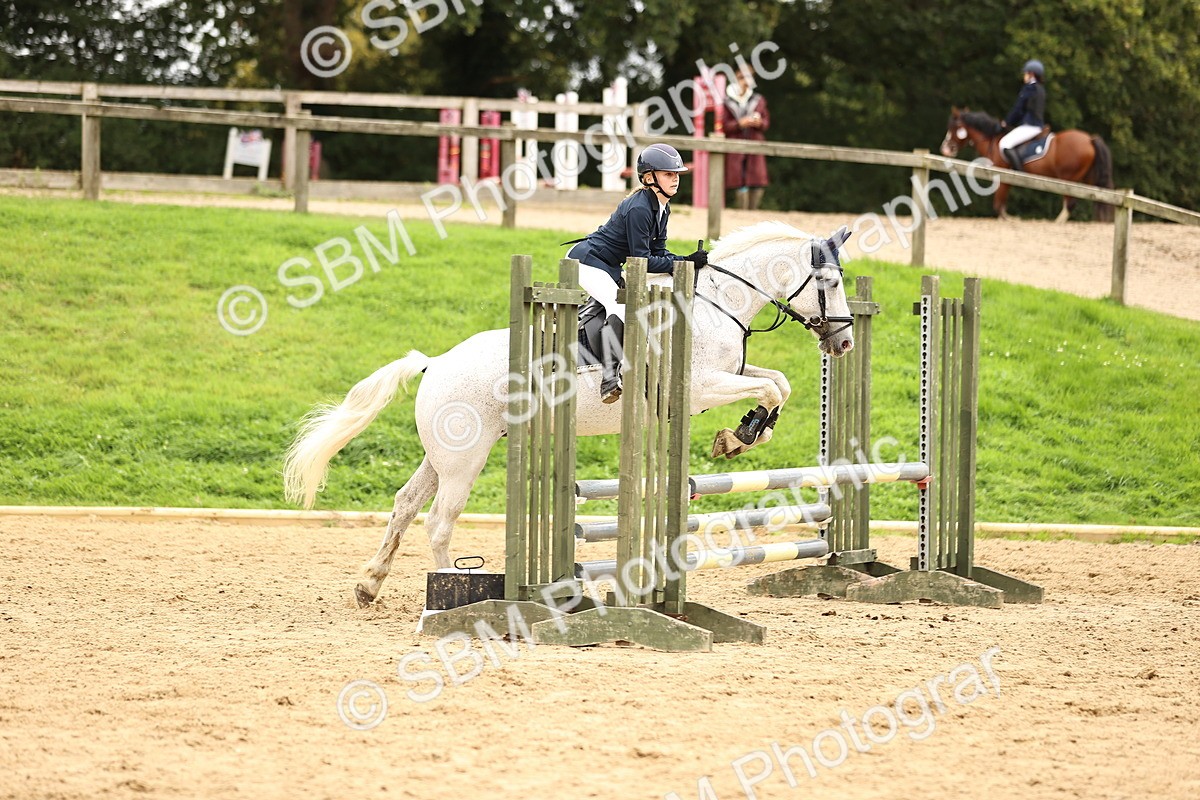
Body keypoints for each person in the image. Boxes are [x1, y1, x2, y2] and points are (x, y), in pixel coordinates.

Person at [566, 143, 707, 403]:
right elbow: (641, 261)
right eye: (668, 174)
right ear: (650, 177)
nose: (675, 179)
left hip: (607, 265)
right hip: (586, 261)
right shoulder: (640, 208)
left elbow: (659, 252)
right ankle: (609, 379)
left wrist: (683, 261)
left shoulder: (662, 207)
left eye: (676, 174)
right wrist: (683, 262)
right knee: (620, 307)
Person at [723, 66, 770, 209]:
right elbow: (724, 125)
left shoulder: (758, 100)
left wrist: (759, 122)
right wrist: (739, 124)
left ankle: (753, 211)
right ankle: (742, 211)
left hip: (754, 143)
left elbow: (766, 122)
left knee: (757, 178)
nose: (745, 81)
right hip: (736, 145)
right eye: (742, 78)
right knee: (739, 179)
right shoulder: (727, 101)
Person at [999, 59, 1047, 172]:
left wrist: (1007, 122)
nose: (1024, 76)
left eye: (1025, 73)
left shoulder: (1029, 88)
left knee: (1004, 144)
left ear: (1031, 74)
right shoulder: (1041, 89)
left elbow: (1018, 109)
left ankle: (1019, 174)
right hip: (1038, 125)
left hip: (1030, 126)